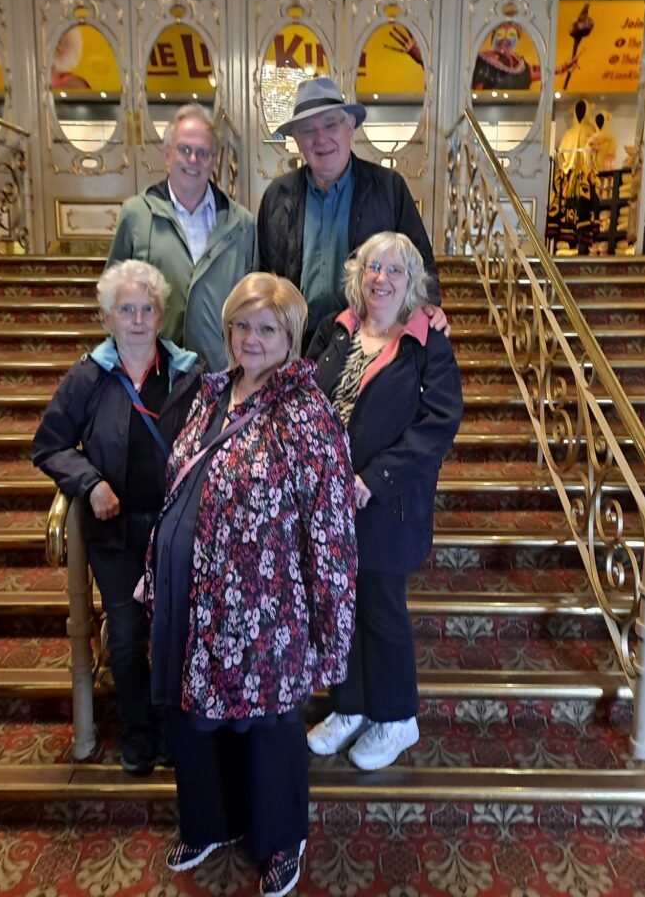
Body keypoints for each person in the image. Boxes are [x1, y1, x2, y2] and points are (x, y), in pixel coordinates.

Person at [143, 272, 357, 897]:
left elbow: (332, 530)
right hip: (195, 597)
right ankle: (210, 821)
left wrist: (330, 626)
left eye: (267, 328)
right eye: (242, 325)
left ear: (290, 336)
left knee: (268, 726)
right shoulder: (211, 393)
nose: (251, 338)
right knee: (195, 714)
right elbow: (179, 486)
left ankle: (280, 839)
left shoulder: (305, 411)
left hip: (268, 607)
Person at [32, 259, 202, 776]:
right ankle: (136, 732)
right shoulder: (88, 375)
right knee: (126, 634)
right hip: (113, 533)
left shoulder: (187, 370)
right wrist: (90, 482)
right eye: (125, 309)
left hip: (173, 531)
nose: (136, 319)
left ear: (160, 314)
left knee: (173, 631)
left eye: (146, 308)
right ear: (107, 317)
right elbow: (49, 445)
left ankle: (170, 729)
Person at [306, 232, 463, 771]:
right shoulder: (337, 330)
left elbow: (438, 425)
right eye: (374, 267)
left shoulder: (427, 344)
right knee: (338, 608)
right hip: (328, 501)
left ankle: (396, 718)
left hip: (386, 504)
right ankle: (349, 707)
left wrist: (374, 478)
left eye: (395, 271)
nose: (382, 279)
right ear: (359, 275)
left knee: (380, 610)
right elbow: (306, 395)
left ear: (412, 282)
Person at [256, 76, 446, 344]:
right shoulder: (277, 195)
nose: (320, 139)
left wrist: (427, 306)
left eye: (330, 124)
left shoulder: (388, 187)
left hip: (368, 342)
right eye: (308, 130)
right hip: (295, 343)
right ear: (297, 140)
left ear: (350, 128)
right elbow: (263, 276)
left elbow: (420, 261)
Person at [107, 103, 257, 371]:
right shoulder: (136, 216)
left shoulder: (241, 224)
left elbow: (253, 305)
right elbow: (111, 297)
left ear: (213, 160)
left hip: (220, 375)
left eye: (203, 153)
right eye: (184, 149)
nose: (193, 160)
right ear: (166, 154)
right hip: (154, 373)